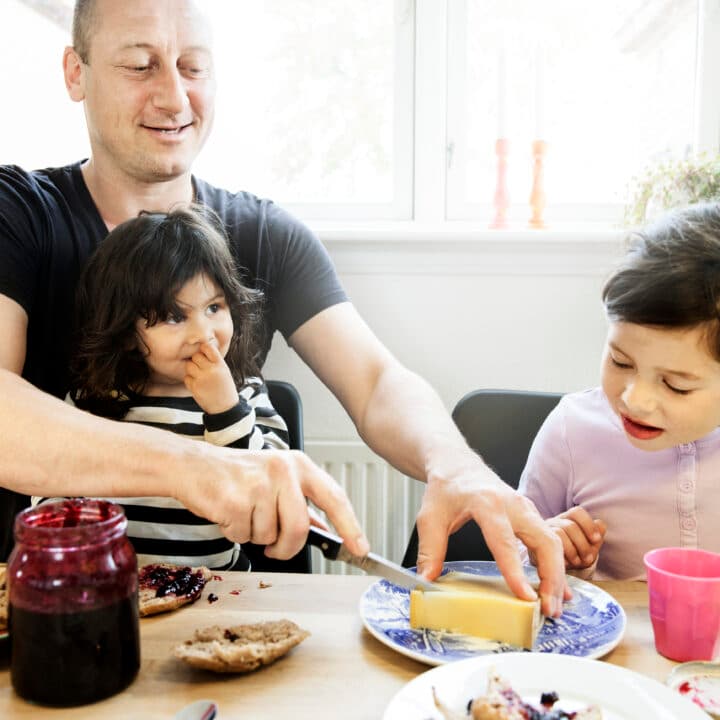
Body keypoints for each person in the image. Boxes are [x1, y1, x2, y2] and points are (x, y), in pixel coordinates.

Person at [0, 0, 564, 614]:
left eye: (193, 67)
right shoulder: (19, 215)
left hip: (224, 612)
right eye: (140, 65)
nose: (173, 98)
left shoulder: (266, 234)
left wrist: (455, 464)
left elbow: (376, 383)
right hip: (52, 613)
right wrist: (197, 467)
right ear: (75, 73)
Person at [35, 205, 292, 570]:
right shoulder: (95, 401)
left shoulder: (245, 394)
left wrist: (225, 410)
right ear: (126, 333)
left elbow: (265, 493)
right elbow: (51, 493)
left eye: (215, 307)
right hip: (119, 594)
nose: (204, 334)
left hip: (220, 590)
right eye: (174, 316)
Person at [519, 203, 720, 580]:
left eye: (676, 385)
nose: (633, 400)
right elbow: (515, 549)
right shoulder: (571, 430)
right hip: (609, 638)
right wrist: (549, 554)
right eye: (620, 362)